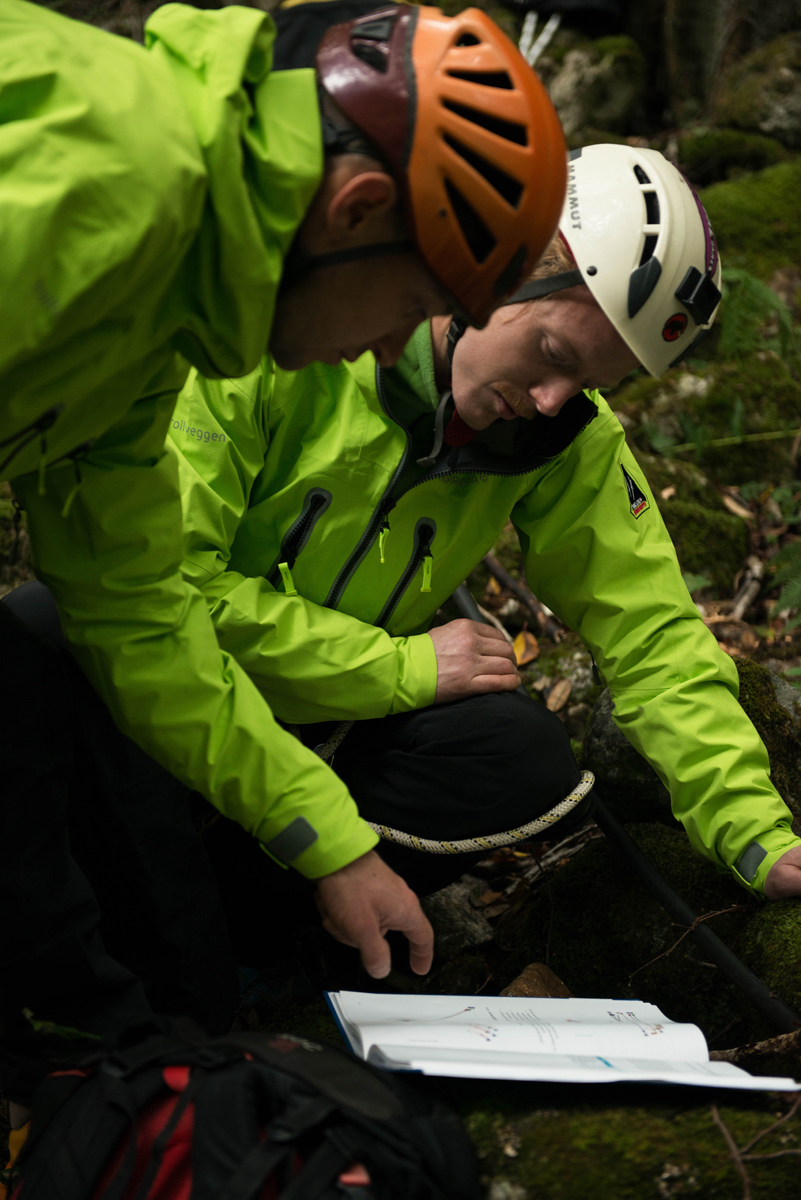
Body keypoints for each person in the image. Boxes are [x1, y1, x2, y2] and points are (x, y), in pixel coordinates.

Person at [0, 0, 568, 1121]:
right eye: (412, 306)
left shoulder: (155, 321)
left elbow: (138, 612)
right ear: (354, 208)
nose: (389, 348)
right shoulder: (97, 180)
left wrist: (329, 843)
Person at [162, 140, 801, 911]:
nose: (550, 401)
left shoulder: (563, 438)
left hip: (321, 723)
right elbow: (170, 588)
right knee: (52, 643)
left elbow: (652, 631)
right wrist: (400, 668)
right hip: (170, 693)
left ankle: (261, 920)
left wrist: (756, 835)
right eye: (551, 351)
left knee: (521, 757)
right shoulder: (298, 333)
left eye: (588, 383)